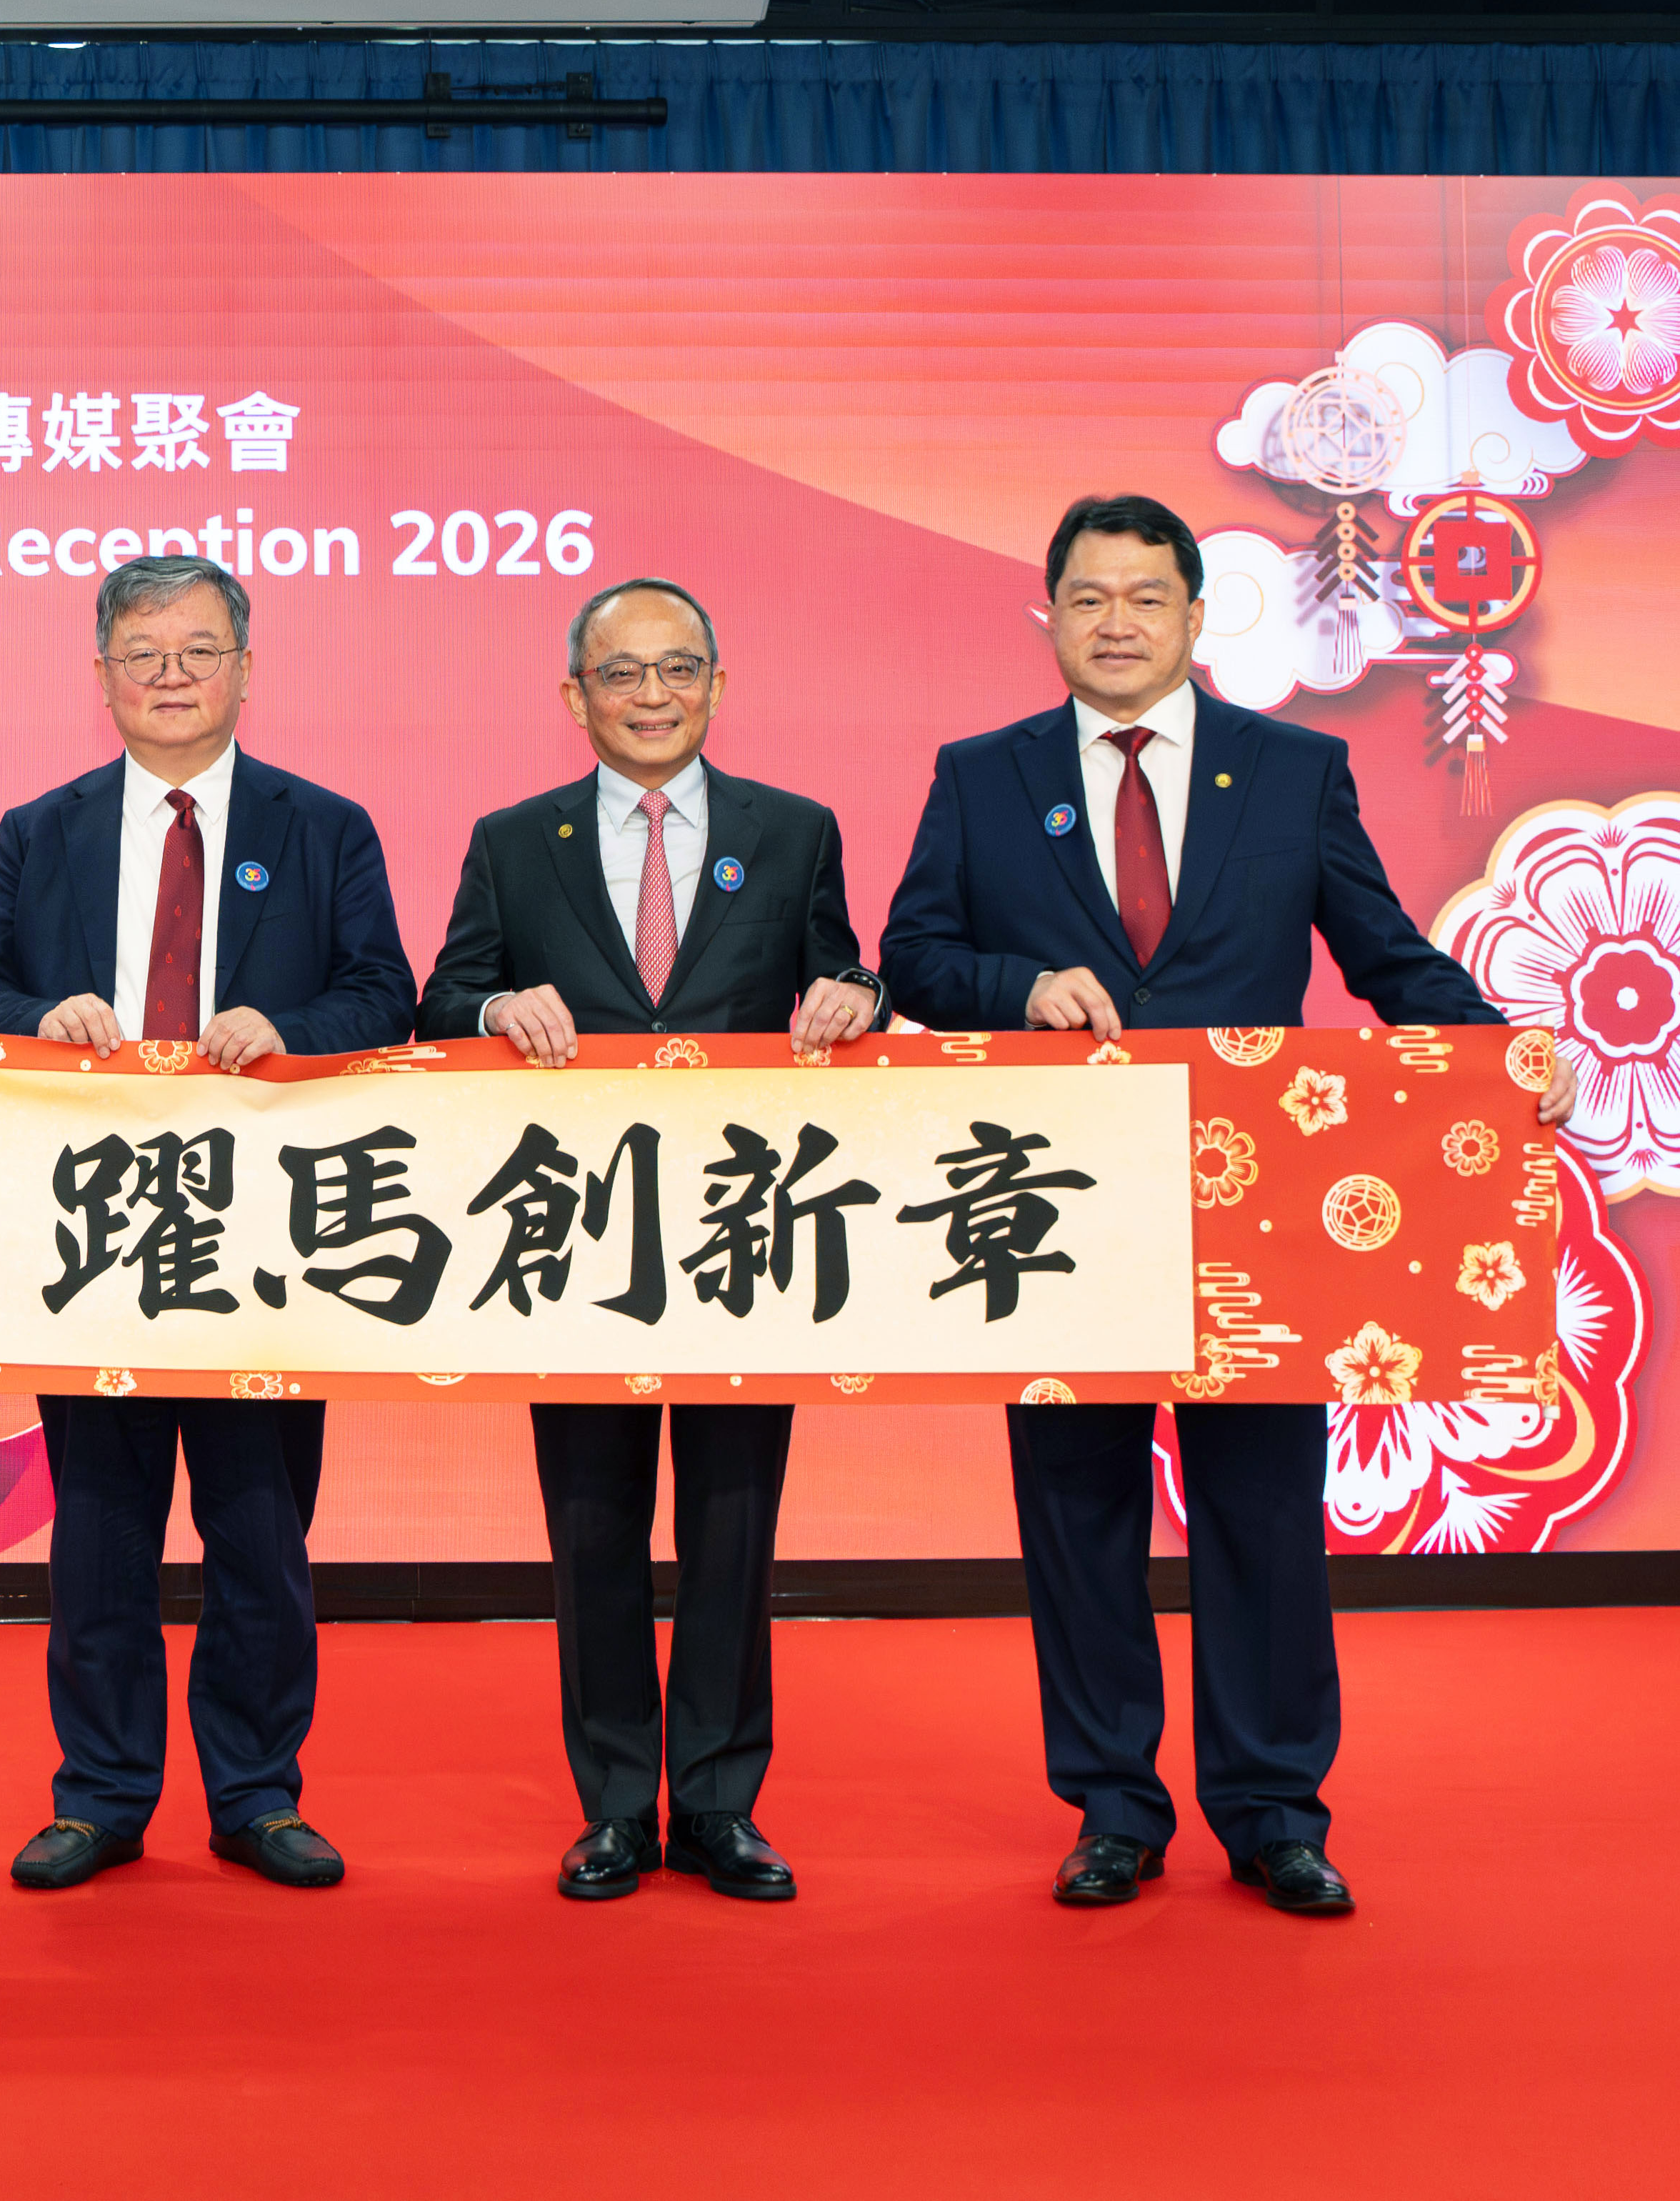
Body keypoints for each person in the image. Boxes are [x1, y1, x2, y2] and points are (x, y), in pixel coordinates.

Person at [882, 494, 1577, 1919]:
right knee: (1075, 1511)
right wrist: (1015, 990)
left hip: (1254, 1201)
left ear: (1198, 617)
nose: (1117, 621)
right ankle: (1113, 1808)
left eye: (1146, 596)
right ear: (1049, 620)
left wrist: (1504, 1050)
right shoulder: (983, 776)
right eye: (1087, 598)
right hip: (1058, 1201)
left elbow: (1382, 952)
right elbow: (915, 956)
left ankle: (1272, 1811)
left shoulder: (1290, 771)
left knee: (1262, 1508)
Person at [0, 554, 416, 1892]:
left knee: (260, 1525)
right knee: (99, 1523)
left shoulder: (323, 828)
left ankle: (257, 1794)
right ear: (100, 678)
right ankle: (99, 1793)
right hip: (94, 1234)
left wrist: (290, 1030)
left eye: (196, 651)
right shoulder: (46, 829)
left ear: (246, 671)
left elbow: (388, 995)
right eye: (141, 653)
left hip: (267, 1235)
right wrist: (41, 1017)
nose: (168, 676)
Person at [416, 578, 881, 1905]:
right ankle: (617, 1804)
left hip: (743, 1233)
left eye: (679, 669)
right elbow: (439, 999)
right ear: (576, 697)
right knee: (595, 1525)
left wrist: (858, 995)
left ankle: (722, 1805)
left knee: (736, 1524)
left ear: (718, 686)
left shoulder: (793, 832)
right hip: (575, 1237)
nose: (653, 695)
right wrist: (499, 1003)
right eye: (621, 675)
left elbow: (842, 975)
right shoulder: (516, 840)